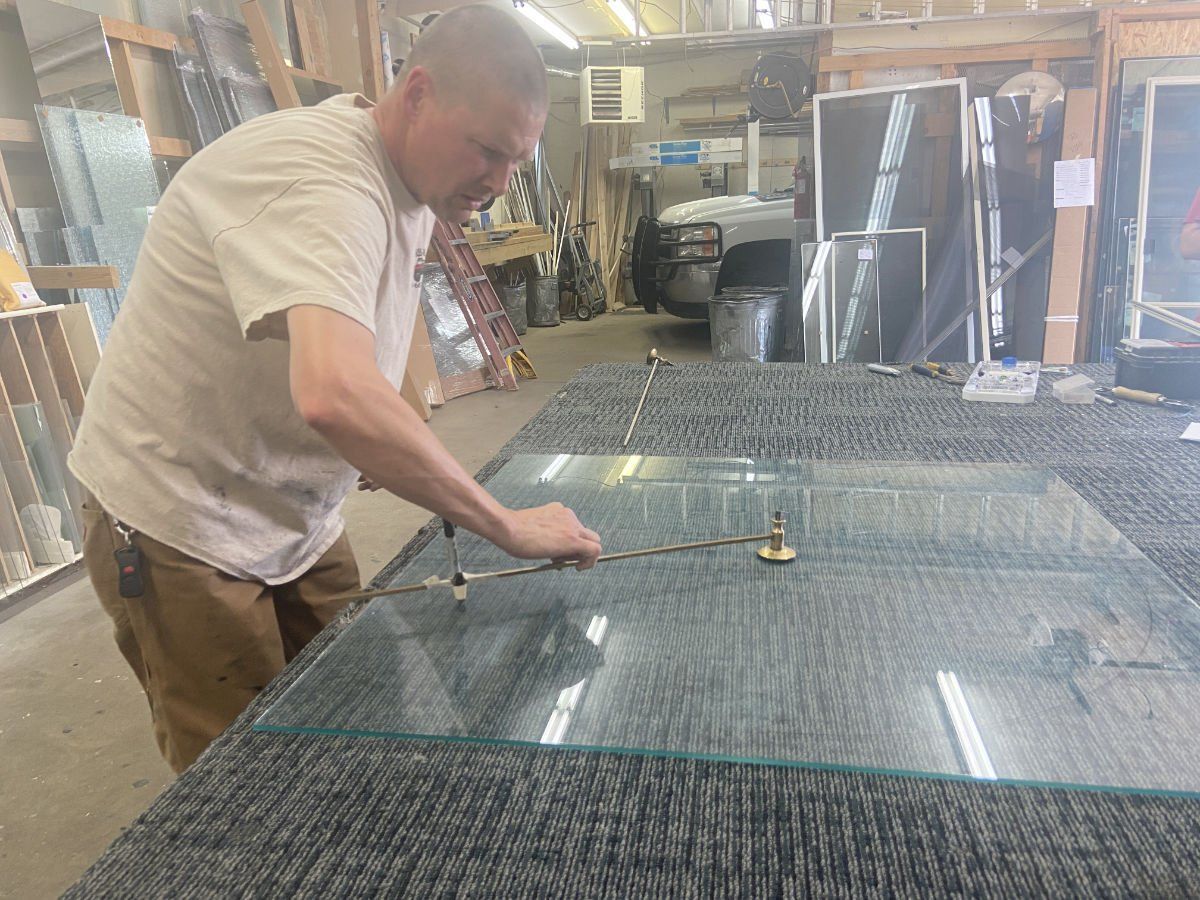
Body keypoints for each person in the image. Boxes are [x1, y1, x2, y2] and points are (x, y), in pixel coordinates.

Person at [67, 5, 601, 774]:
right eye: (486, 149)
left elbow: (354, 345)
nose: (497, 181)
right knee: (245, 777)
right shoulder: (325, 182)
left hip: (287, 508)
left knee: (357, 717)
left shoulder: (417, 182)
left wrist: (381, 444)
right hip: (178, 517)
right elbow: (332, 392)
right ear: (417, 94)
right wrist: (504, 525)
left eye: (517, 161)